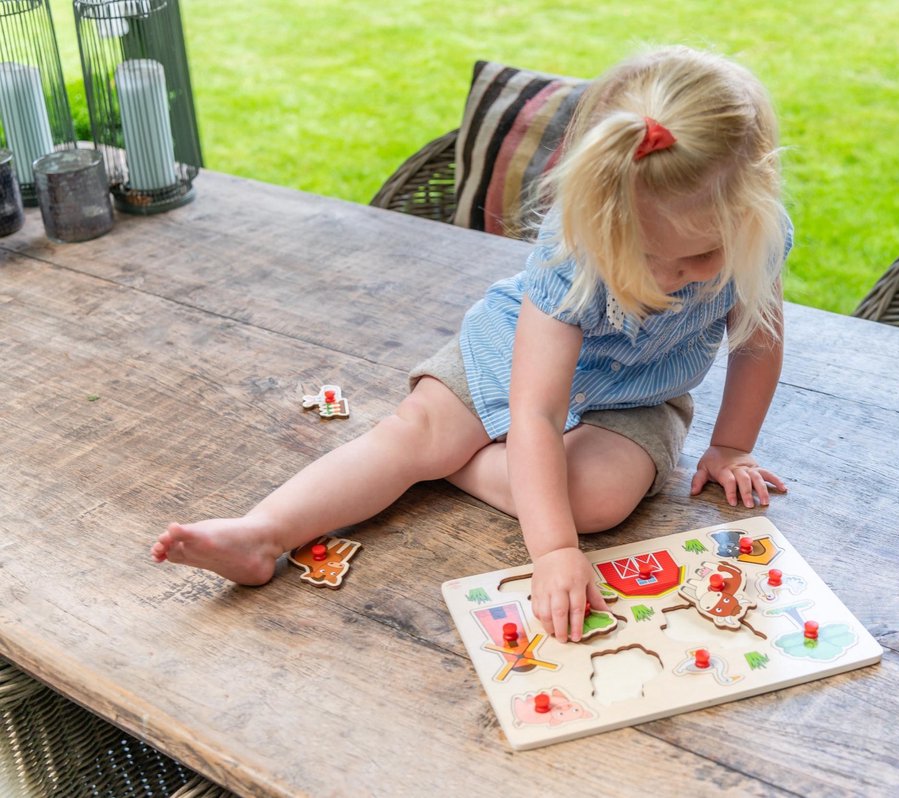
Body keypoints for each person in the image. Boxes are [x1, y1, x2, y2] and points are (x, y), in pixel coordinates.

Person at [152, 45, 792, 645]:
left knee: (594, 501)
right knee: (412, 434)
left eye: (699, 256)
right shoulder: (573, 253)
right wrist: (554, 552)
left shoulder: (757, 237)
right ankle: (262, 534)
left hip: (634, 400)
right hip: (511, 357)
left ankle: (446, 461)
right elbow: (534, 410)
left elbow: (757, 342)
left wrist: (731, 445)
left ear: (754, 206)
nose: (670, 276)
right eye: (645, 256)